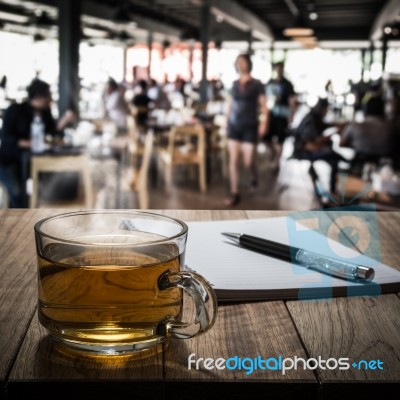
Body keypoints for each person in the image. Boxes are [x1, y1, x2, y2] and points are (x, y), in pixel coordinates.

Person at [0, 79, 75, 208]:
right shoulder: (15, 110)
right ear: (39, 97)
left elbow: (54, 132)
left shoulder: (45, 113)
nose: (51, 98)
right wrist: (31, 143)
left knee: (49, 185)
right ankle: (18, 220)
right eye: (49, 95)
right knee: (18, 192)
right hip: (8, 162)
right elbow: (6, 137)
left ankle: (37, 213)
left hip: (31, 161)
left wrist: (65, 119)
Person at [224, 53, 268, 207]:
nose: (240, 64)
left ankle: (254, 176)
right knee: (233, 160)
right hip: (234, 126)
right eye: (238, 62)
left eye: (243, 61)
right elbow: (229, 105)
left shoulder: (257, 84)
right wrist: (226, 123)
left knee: (248, 161)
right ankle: (234, 193)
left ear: (248, 64)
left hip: (250, 126)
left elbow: (264, 106)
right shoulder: (234, 84)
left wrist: (264, 123)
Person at [293, 98, 348, 194]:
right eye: (326, 109)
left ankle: (332, 189)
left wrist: (338, 125)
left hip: (308, 147)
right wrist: (332, 134)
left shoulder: (315, 117)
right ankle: (333, 188)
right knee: (333, 155)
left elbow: (324, 125)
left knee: (334, 159)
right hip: (303, 151)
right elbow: (311, 144)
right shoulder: (311, 120)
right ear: (322, 109)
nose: (327, 112)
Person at [340, 95, 395, 170]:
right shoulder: (392, 127)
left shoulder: (355, 126)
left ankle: (340, 181)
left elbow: (342, 144)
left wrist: (356, 144)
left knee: (342, 173)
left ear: (365, 110)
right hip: (387, 166)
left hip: (360, 164)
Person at [264, 61, 297, 167]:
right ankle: (274, 153)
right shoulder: (270, 82)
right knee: (266, 137)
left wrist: (291, 115)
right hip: (270, 114)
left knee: (280, 139)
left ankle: (277, 161)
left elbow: (292, 100)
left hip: (282, 115)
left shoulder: (287, 84)